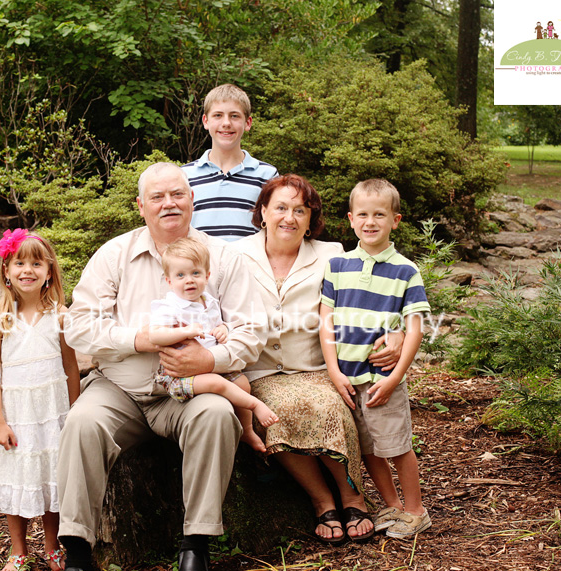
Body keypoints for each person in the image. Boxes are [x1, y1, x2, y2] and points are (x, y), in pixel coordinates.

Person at [57, 162, 267, 571]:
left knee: (217, 414)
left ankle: (196, 544)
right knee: (82, 422)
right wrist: (137, 340)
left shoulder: (224, 258)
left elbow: (251, 330)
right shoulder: (114, 255)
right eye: (157, 197)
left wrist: (211, 359)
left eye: (177, 194)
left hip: (191, 390)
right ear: (141, 205)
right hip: (120, 389)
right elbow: (79, 326)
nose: (168, 204)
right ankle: (78, 551)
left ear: (191, 200)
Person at [232, 174, 403, 545]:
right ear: (263, 212)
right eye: (280, 207)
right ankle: (322, 500)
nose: (289, 217)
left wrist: (396, 333)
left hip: (316, 367)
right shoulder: (233, 255)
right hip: (259, 370)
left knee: (330, 407)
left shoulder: (332, 255)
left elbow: (369, 301)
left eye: (300, 210)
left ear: (312, 219)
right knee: (277, 412)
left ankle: (353, 497)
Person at [319, 178, 432, 539]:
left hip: (381, 379)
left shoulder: (405, 271)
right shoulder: (337, 266)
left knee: (396, 446)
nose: (370, 222)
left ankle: (415, 511)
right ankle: (393, 507)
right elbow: (326, 323)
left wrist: (395, 376)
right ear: (351, 219)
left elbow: (414, 329)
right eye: (363, 214)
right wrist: (334, 371)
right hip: (347, 379)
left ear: (395, 220)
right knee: (368, 450)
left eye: (379, 214)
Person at [0, 229, 81, 571]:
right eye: (19, 262)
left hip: (54, 414)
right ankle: (18, 550)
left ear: (49, 271)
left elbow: (71, 368)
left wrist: (74, 414)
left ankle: (53, 547)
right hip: (17, 416)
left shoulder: (61, 317)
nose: (28, 269)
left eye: (36, 263)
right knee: (18, 480)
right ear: (6, 272)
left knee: (52, 481)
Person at [150, 236, 279, 452]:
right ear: (169, 281)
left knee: (242, 383)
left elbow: (218, 324)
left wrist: (224, 329)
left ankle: (246, 430)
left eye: (195, 273)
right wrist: (184, 331)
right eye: (180, 275)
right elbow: (155, 336)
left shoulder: (208, 302)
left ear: (207, 276)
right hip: (179, 375)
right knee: (217, 384)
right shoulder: (169, 307)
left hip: (210, 365)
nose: (189, 280)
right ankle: (256, 405)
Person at [182, 84, 277, 241]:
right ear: (205, 121)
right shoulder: (184, 176)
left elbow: (274, 227)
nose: (226, 123)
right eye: (218, 115)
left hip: (248, 263)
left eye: (234, 116)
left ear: (248, 123)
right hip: (199, 264)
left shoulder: (267, 175)